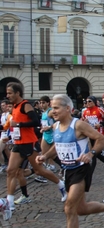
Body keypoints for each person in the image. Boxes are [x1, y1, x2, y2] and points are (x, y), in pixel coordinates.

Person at [36, 94, 104, 228]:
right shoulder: (56, 126)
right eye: (52, 108)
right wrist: (45, 156)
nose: (53, 111)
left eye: (56, 108)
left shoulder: (78, 125)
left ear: (68, 108)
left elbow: (101, 139)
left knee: (69, 208)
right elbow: (57, 145)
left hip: (81, 169)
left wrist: (91, 154)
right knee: (81, 209)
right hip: (67, 170)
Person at [5, 82, 67, 210]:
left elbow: (35, 122)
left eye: (10, 93)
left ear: (17, 93)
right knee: (11, 171)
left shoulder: (25, 105)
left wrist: (19, 125)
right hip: (18, 143)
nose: (8, 95)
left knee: (40, 170)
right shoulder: (15, 107)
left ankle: (61, 185)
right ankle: (9, 203)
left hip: (29, 143)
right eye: (7, 93)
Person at [81, 95, 104, 172]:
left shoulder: (99, 110)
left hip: (99, 134)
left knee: (94, 153)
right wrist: (84, 122)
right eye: (86, 101)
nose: (87, 103)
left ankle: (91, 172)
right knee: (95, 153)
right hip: (90, 134)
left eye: (89, 101)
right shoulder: (85, 111)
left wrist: (100, 124)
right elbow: (82, 121)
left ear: (94, 102)